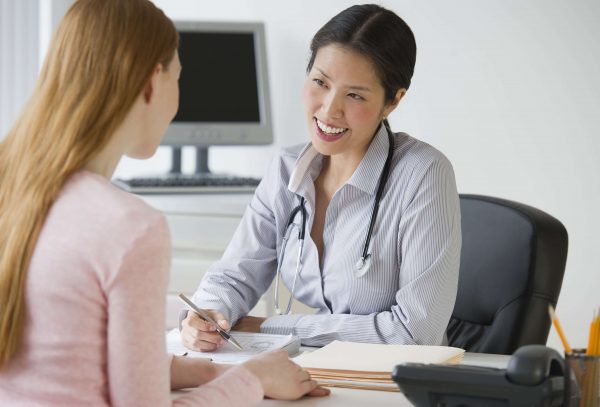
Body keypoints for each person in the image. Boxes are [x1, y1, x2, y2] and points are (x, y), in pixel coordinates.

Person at [0, 0, 328, 405]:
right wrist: (253, 379)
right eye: (179, 77)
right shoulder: (128, 227)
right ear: (152, 82)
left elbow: (68, 353)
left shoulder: (12, 185)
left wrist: (203, 373)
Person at [181, 4, 462, 351]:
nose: (329, 110)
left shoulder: (423, 175)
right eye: (320, 82)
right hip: (311, 365)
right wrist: (209, 312)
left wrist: (272, 327)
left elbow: (415, 333)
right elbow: (234, 275)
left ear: (392, 101)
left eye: (355, 95)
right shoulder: (286, 170)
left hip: (394, 376)